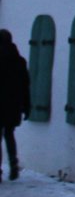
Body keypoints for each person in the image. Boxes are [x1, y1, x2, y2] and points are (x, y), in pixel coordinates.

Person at [0, 28, 31, 181]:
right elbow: (25, 85)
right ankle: (14, 166)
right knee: (9, 135)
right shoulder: (19, 61)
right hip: (13, 105)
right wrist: (27, 106)